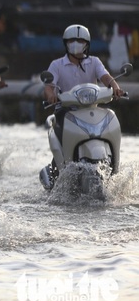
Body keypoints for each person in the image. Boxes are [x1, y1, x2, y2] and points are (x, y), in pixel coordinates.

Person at [39, 24, 124, 189]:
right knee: (60, 132)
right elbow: (49, 86)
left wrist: (115, 87)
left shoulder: (95, 62)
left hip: (92, 109)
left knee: (110, 117)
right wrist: (51, 96)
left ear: (87, 44)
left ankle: (114, 170)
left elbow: (106, 77)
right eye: (72, 40)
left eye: (80, 40)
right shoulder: (57, 65)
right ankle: (60, 172)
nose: (76, 43)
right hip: (66, 111)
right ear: (66, 43)